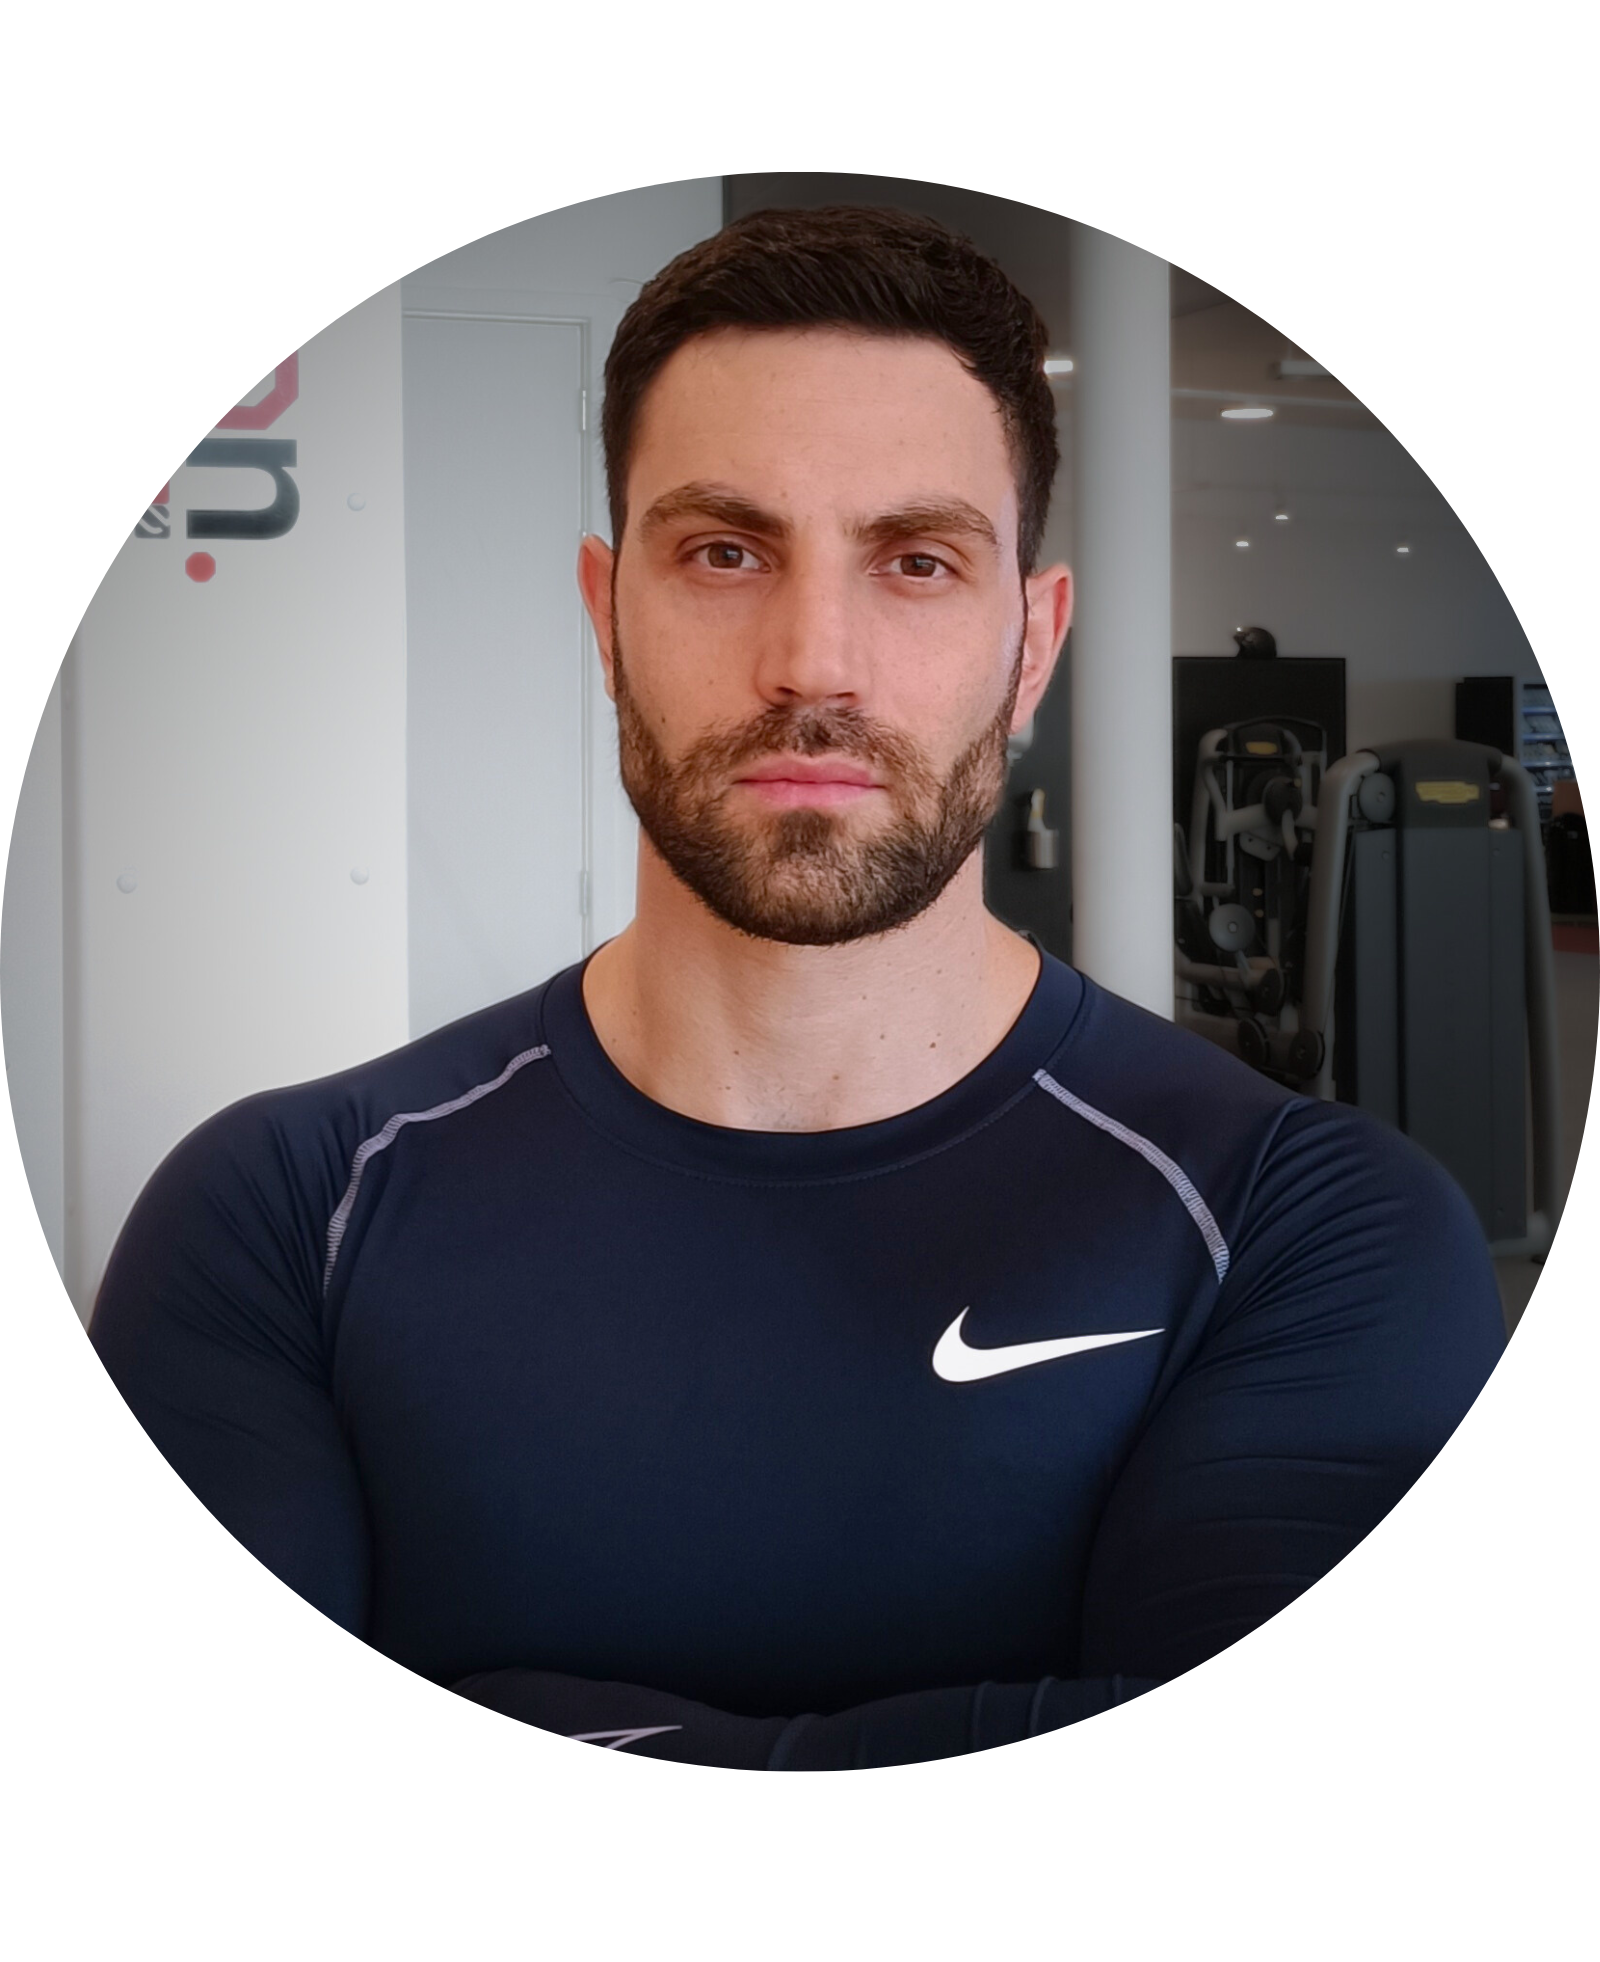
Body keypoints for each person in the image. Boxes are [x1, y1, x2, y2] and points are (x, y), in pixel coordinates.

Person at [89, 206, 1506, 1769]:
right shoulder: (281, 1217)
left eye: (916, 560)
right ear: (605, 617)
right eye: (724, 551)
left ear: (1032, 648)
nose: (814, 661)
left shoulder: (1308, 1233)